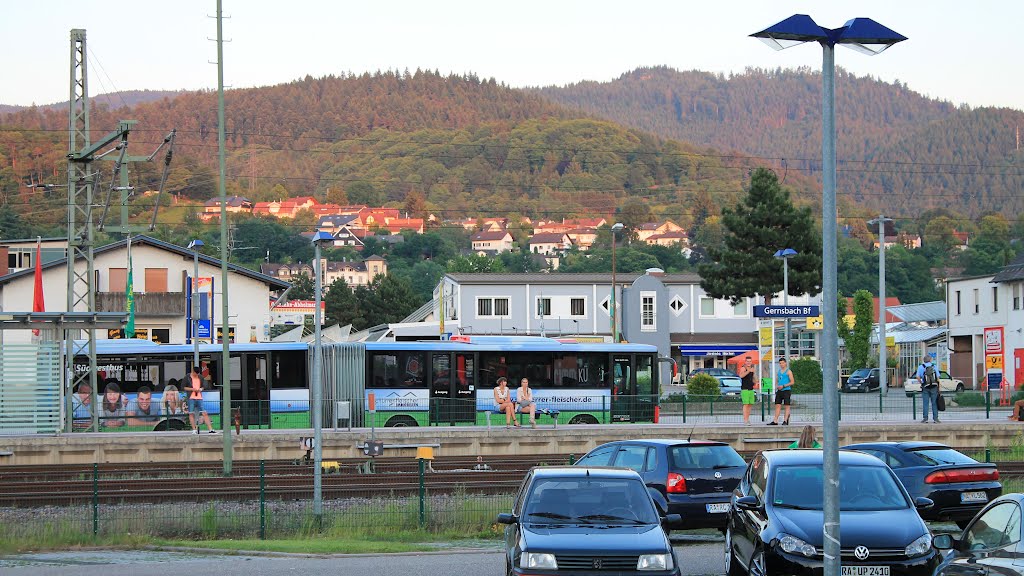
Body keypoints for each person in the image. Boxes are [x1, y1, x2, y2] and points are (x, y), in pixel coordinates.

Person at [187, 366, 215, 434]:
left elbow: (204, 386)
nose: (197, 375)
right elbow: (183, 387)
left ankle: (210, 429)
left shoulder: (201, 377)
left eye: (198, 374)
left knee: (204, 412)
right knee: (191, 413)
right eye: (196, 374)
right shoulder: (187, 377)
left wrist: (201, 389)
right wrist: (192, 389)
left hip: (199, 397)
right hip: (191, 397)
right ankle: (194, 430)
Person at [768, 358, 794, 426]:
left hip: (786, 390)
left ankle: (785, 420)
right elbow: (777, 379)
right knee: (777, 405)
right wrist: (777, 385)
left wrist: (784, 386)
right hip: (780, 390)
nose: (781, 364)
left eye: (783, 363)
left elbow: (792, 382)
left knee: (787, 405)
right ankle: (775, 420)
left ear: (785, 363)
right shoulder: (779, 371)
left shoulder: (789, 371)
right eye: (780, 363)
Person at [917, 354, 940, 424]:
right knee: (934, 403)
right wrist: (938, 387)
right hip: (934, 387)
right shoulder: (934, 366)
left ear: (924, 360)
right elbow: (938, 378)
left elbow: (917, 377)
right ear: (930, 360)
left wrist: (922, 383)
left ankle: (925, 418)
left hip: (925, 387)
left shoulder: (921, 367)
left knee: (925, 403)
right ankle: (936, 419)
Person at [737, 356, 756, 426]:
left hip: (751, 388)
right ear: (745, 362)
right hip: (745, 389)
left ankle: (748, 418)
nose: (749, 363)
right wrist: (748, 371)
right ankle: (745, 420)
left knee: (750, 404)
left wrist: (755, 377)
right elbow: (741, 376)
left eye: (750, 361)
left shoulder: (752, 369)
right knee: (746, 404)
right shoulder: (743, 368)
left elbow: (754, 378)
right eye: (747, 361)